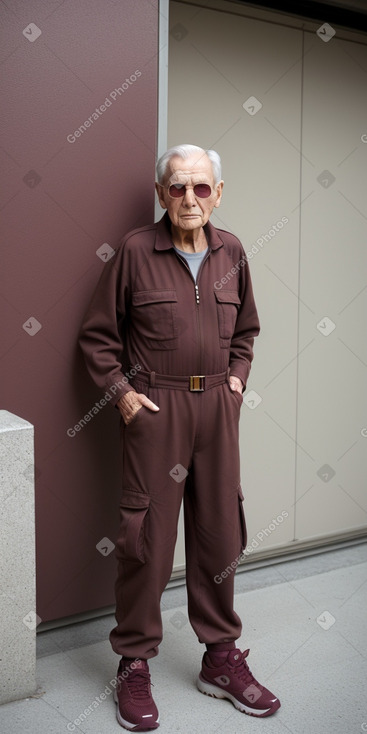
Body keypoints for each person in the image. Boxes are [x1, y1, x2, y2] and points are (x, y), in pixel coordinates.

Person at [79, 144, 280, 731]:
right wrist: (122, 396)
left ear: (218, 193)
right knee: (145, 539)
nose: (188, 199)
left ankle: (220, 658)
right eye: (177, 187)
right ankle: (134, 662)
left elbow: (246, 330)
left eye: (200, 187)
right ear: (161, 193)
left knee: (220, 531)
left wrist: (237, 383)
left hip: (218, 406)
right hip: (156, 409)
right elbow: (96, 338)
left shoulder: (233, 250)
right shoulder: (136, 251)